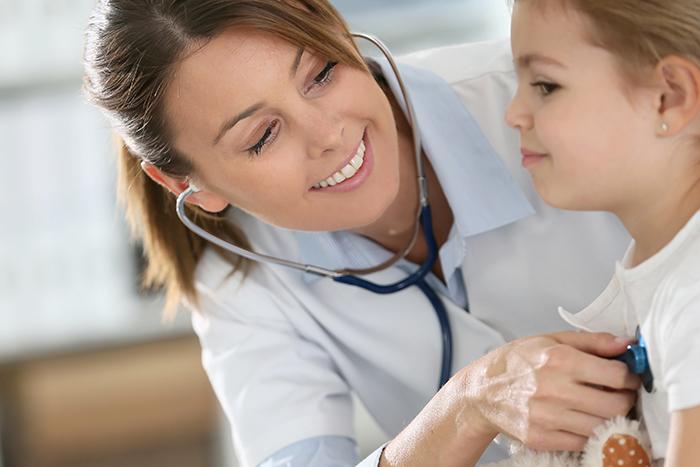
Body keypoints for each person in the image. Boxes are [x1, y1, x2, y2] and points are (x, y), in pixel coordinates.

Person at [83, 1, 639, 466]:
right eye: (261, 136)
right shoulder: (243, 282)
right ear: (187, 183)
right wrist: (468, 405)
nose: (328, 134)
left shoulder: (549, 97)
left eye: (321, 74)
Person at [506, 0, 700, 465]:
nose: (513, 112)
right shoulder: (660, 272)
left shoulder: (692, 295)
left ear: (669, 97)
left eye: (545, 86)